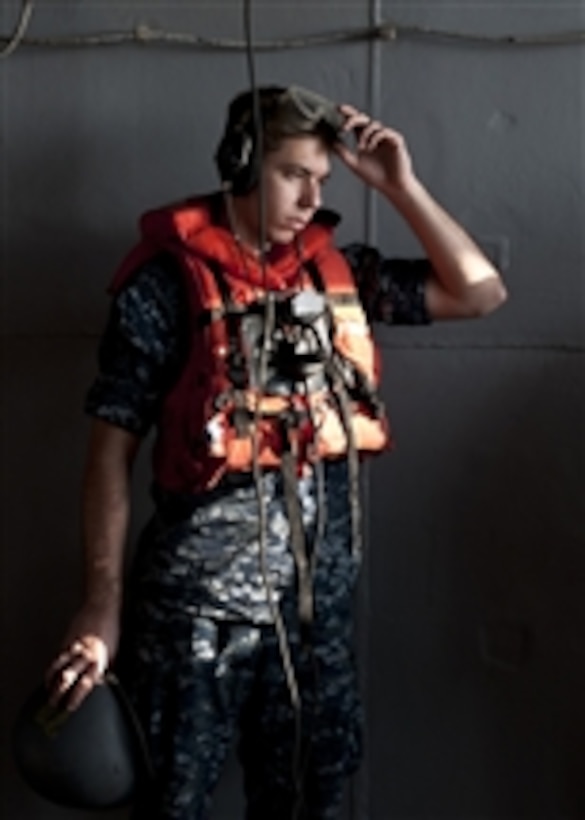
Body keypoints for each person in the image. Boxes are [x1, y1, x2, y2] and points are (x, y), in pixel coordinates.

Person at [47, 85, 507, 819]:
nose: (310, 196)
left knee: (310, 802)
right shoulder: (163, 286)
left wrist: (401, 186)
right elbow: (109, 452)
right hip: (192, 617)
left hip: (313, 619)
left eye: (321, 179)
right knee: (173, 802)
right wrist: (101, 605)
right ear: (242, 165)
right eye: (294, 173)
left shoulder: (337, 275)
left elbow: (480, 293)